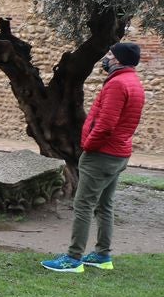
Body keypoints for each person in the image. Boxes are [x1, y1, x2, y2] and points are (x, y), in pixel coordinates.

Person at [42, 43, 146, 272]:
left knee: (83, 205)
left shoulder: (118, 84)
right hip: (118, 154)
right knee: (104, 205)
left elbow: (106, 125)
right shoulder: (134, 82)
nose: (105, 58)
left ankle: (73, 258)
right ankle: (102, 255)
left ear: (118, 59)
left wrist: (88, 146)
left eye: (109, 54)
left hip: (102, 154)